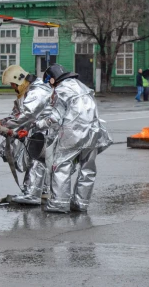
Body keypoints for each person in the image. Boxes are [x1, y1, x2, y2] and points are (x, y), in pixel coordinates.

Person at [36, 64, 113, 213]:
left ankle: (59, 203)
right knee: (87, 168)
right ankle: (81, 203)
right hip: (93, 132)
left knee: (60, 165)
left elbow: (55, 118)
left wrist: (39, 124)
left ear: (52, 80)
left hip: (73, 134)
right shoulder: (83, 87)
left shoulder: (61, 91)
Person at [0, 65, 53, 205]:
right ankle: (42, 190)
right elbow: (17, 113)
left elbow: (27, 114)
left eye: (13, 84)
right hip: (40, 130)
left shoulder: (37, 91)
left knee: (36, 159)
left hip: (48, 130)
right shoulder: (26, 92)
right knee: (40, 159)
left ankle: (32, 193)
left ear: (19, 80)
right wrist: (3, 123)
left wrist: (6, 126)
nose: (12, 87)